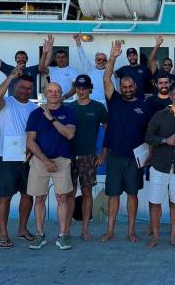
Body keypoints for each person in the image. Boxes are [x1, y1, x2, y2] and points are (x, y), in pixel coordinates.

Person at [101, 40, 151, 243]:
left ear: (135, 87)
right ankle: (110, 230)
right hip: (115, 157)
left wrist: (149, 156)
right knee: (113, 195)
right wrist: (112, 57)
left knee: (132, 194)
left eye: (130, 86)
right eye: (124, 86)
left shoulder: (144, 106)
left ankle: (131, 231)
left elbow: (149, 134)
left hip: (135, 159)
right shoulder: (114, 100)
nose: (127, 88)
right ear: (120, 87)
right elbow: (106, 79)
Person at [25, 82, 77, 251]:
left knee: (62, 198)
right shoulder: (35, 114)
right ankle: (40, 234)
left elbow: (69, 134)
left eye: (57, 91)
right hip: (40, 161)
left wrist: (52, 119)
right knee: (39, 198)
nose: (54, 94)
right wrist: (45, 160)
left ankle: (63, 235)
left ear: (62, 93)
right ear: (44, 94)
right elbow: (30, 141)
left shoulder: (69, 112)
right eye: (50, 91)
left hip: (62, 160)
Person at [0, 67, 38, 249]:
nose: (25, 91)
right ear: (15, 86)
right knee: (5, 196)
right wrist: (10, 77)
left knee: (28, 195)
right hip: (6, 158)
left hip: (28, 158)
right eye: (22, 87)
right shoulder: (5, 103)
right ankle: (3, 234)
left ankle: (22, 229)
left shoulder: (35, 109)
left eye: (29, 88)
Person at [145, 86, 175, 249]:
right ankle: (156, 236)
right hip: (159, 166)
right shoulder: (159, 116)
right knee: (155, 202)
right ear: (171, 96)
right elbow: (149, 137)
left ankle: (173, 236)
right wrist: (165, 140)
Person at [65, 75, 108, 242]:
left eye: (84, 88)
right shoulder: (69, 107)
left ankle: (85, 229)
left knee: (87, 193)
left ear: (90, 88)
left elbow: (108, 132)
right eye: (78, 87)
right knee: (69, 193)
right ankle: (66, 229)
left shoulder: (98, 107)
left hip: (89, 156)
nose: (81, 91)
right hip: (68, 156)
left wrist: (103, 153)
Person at [0, 30, 42, 99]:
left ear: (26, 59)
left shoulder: (32, 69)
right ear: (15, 60)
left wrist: (46, 51)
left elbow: (45, 64)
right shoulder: (9, 69)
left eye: (23, 58)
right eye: (19, 58)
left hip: (30, 103)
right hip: (13, 104)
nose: (21, 59)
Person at [39, 35, 78, 101]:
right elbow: (40, 68)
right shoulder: (51, 70)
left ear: (66, 58)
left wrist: (64, 97)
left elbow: (75, 87)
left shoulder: (73, 70)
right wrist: (44, 53)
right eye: (58, 57)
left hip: (69, 101)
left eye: (63, 57)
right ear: (55, 59)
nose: (61, 59)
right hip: (53, 101)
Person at [73, 33, 108, 103]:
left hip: (106, 103)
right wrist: (78, 42)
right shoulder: (90, 70)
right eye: (99, 59)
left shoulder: (109, 73)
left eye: (103, 60)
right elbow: (82, 58)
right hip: (92, 103)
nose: (101, 61)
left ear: (106, 61)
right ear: (95, 60)